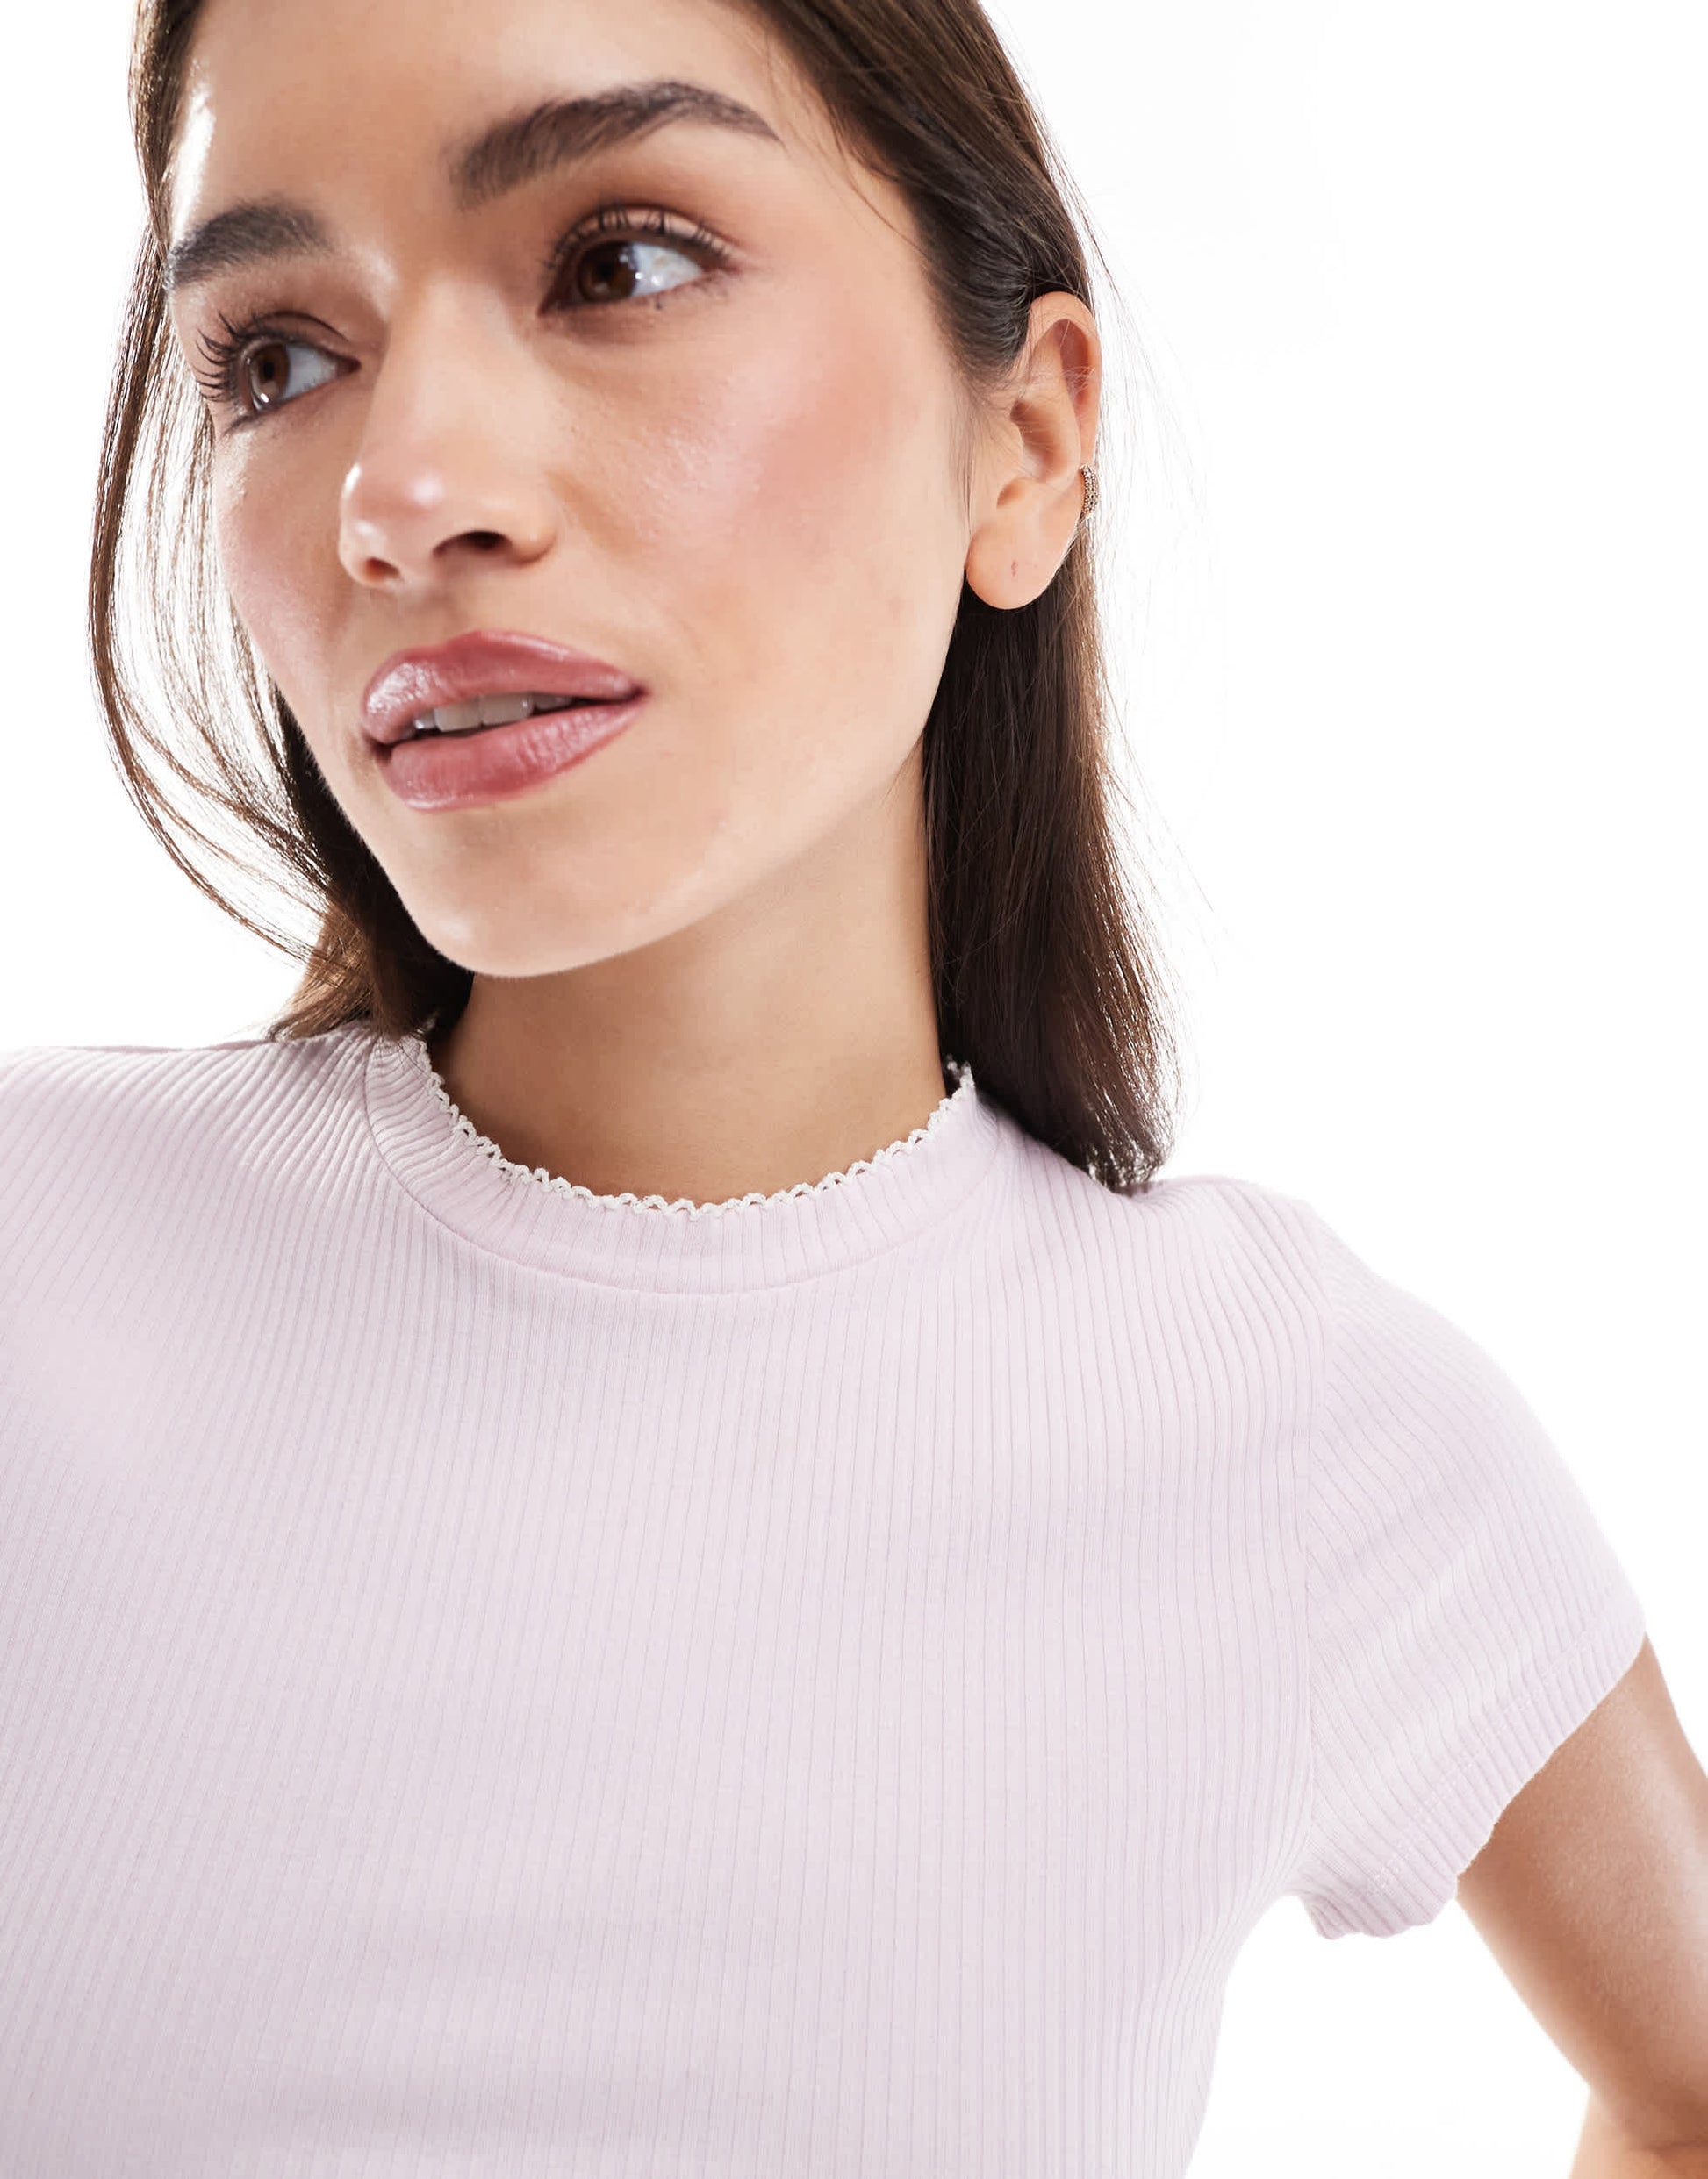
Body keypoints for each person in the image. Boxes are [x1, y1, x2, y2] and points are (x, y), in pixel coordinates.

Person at [2, 0, 1704, 2171]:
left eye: (618, 261)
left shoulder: (1291, 1427)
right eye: (277, 357)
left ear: (1028, 443)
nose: (401, 499)